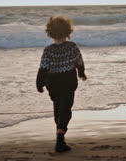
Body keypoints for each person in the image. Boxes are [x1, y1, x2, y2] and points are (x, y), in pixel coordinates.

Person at [36, 16, 87, 153]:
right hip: (68, 83)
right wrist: (81, 73)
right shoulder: (72, 47)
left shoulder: (48, 50)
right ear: (68, 31)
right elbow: (79, 62)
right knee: (65, 110)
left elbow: (43, 69)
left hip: (52, 85)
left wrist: (39, 83)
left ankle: (60, 136)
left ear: (50, 32)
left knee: (58, 109)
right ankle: (60, 138)